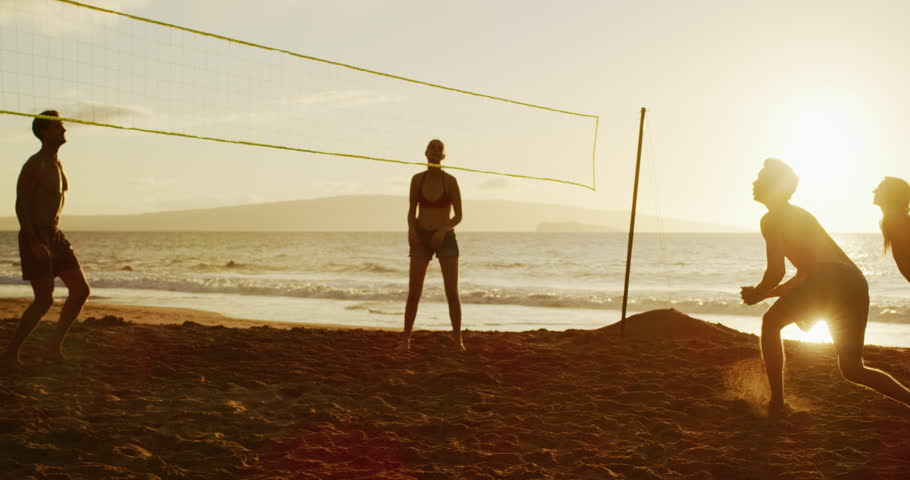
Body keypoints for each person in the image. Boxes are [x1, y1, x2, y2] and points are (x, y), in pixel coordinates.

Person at [741, 158, 910, 413]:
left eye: (760, 179)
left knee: (771, 323)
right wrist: (763, 294)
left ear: (773, 187)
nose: (754, 184)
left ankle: (777, 402)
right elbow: (805, 275)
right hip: (854, 282)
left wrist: (758, 292)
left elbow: (778, 271)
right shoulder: (798, 214)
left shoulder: (772, 218)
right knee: (853, 369)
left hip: (830, 280)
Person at [1, 111, 91, 371]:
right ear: (44, 132)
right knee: (44, 299)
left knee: (81, 290)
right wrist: (33, 242)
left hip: (55, 234)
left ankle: (52, 348)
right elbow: (21, 206)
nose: (64, 130)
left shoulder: (57, 163)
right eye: (59, 127)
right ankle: (10, 354)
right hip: (36, 234)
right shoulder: (35, 163)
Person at [399, 139, 464, 352]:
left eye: (440, 149)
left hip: (444, 239)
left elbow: (459, 216)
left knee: (451, 291)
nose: (435, 151)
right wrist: (411, 230)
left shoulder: (450, 181)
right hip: (421, 237)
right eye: (432, 148)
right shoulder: (417, 179)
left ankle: (457, 341)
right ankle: (405, 340)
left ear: (444, 156)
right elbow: (411, 211)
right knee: (414, 291)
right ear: (426, 153)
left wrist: (443, 230)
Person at [873, 176, 910, 281]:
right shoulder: (894, 222)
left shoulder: (900, 223)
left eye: (880, 188)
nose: (874, 191)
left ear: (891, 194)